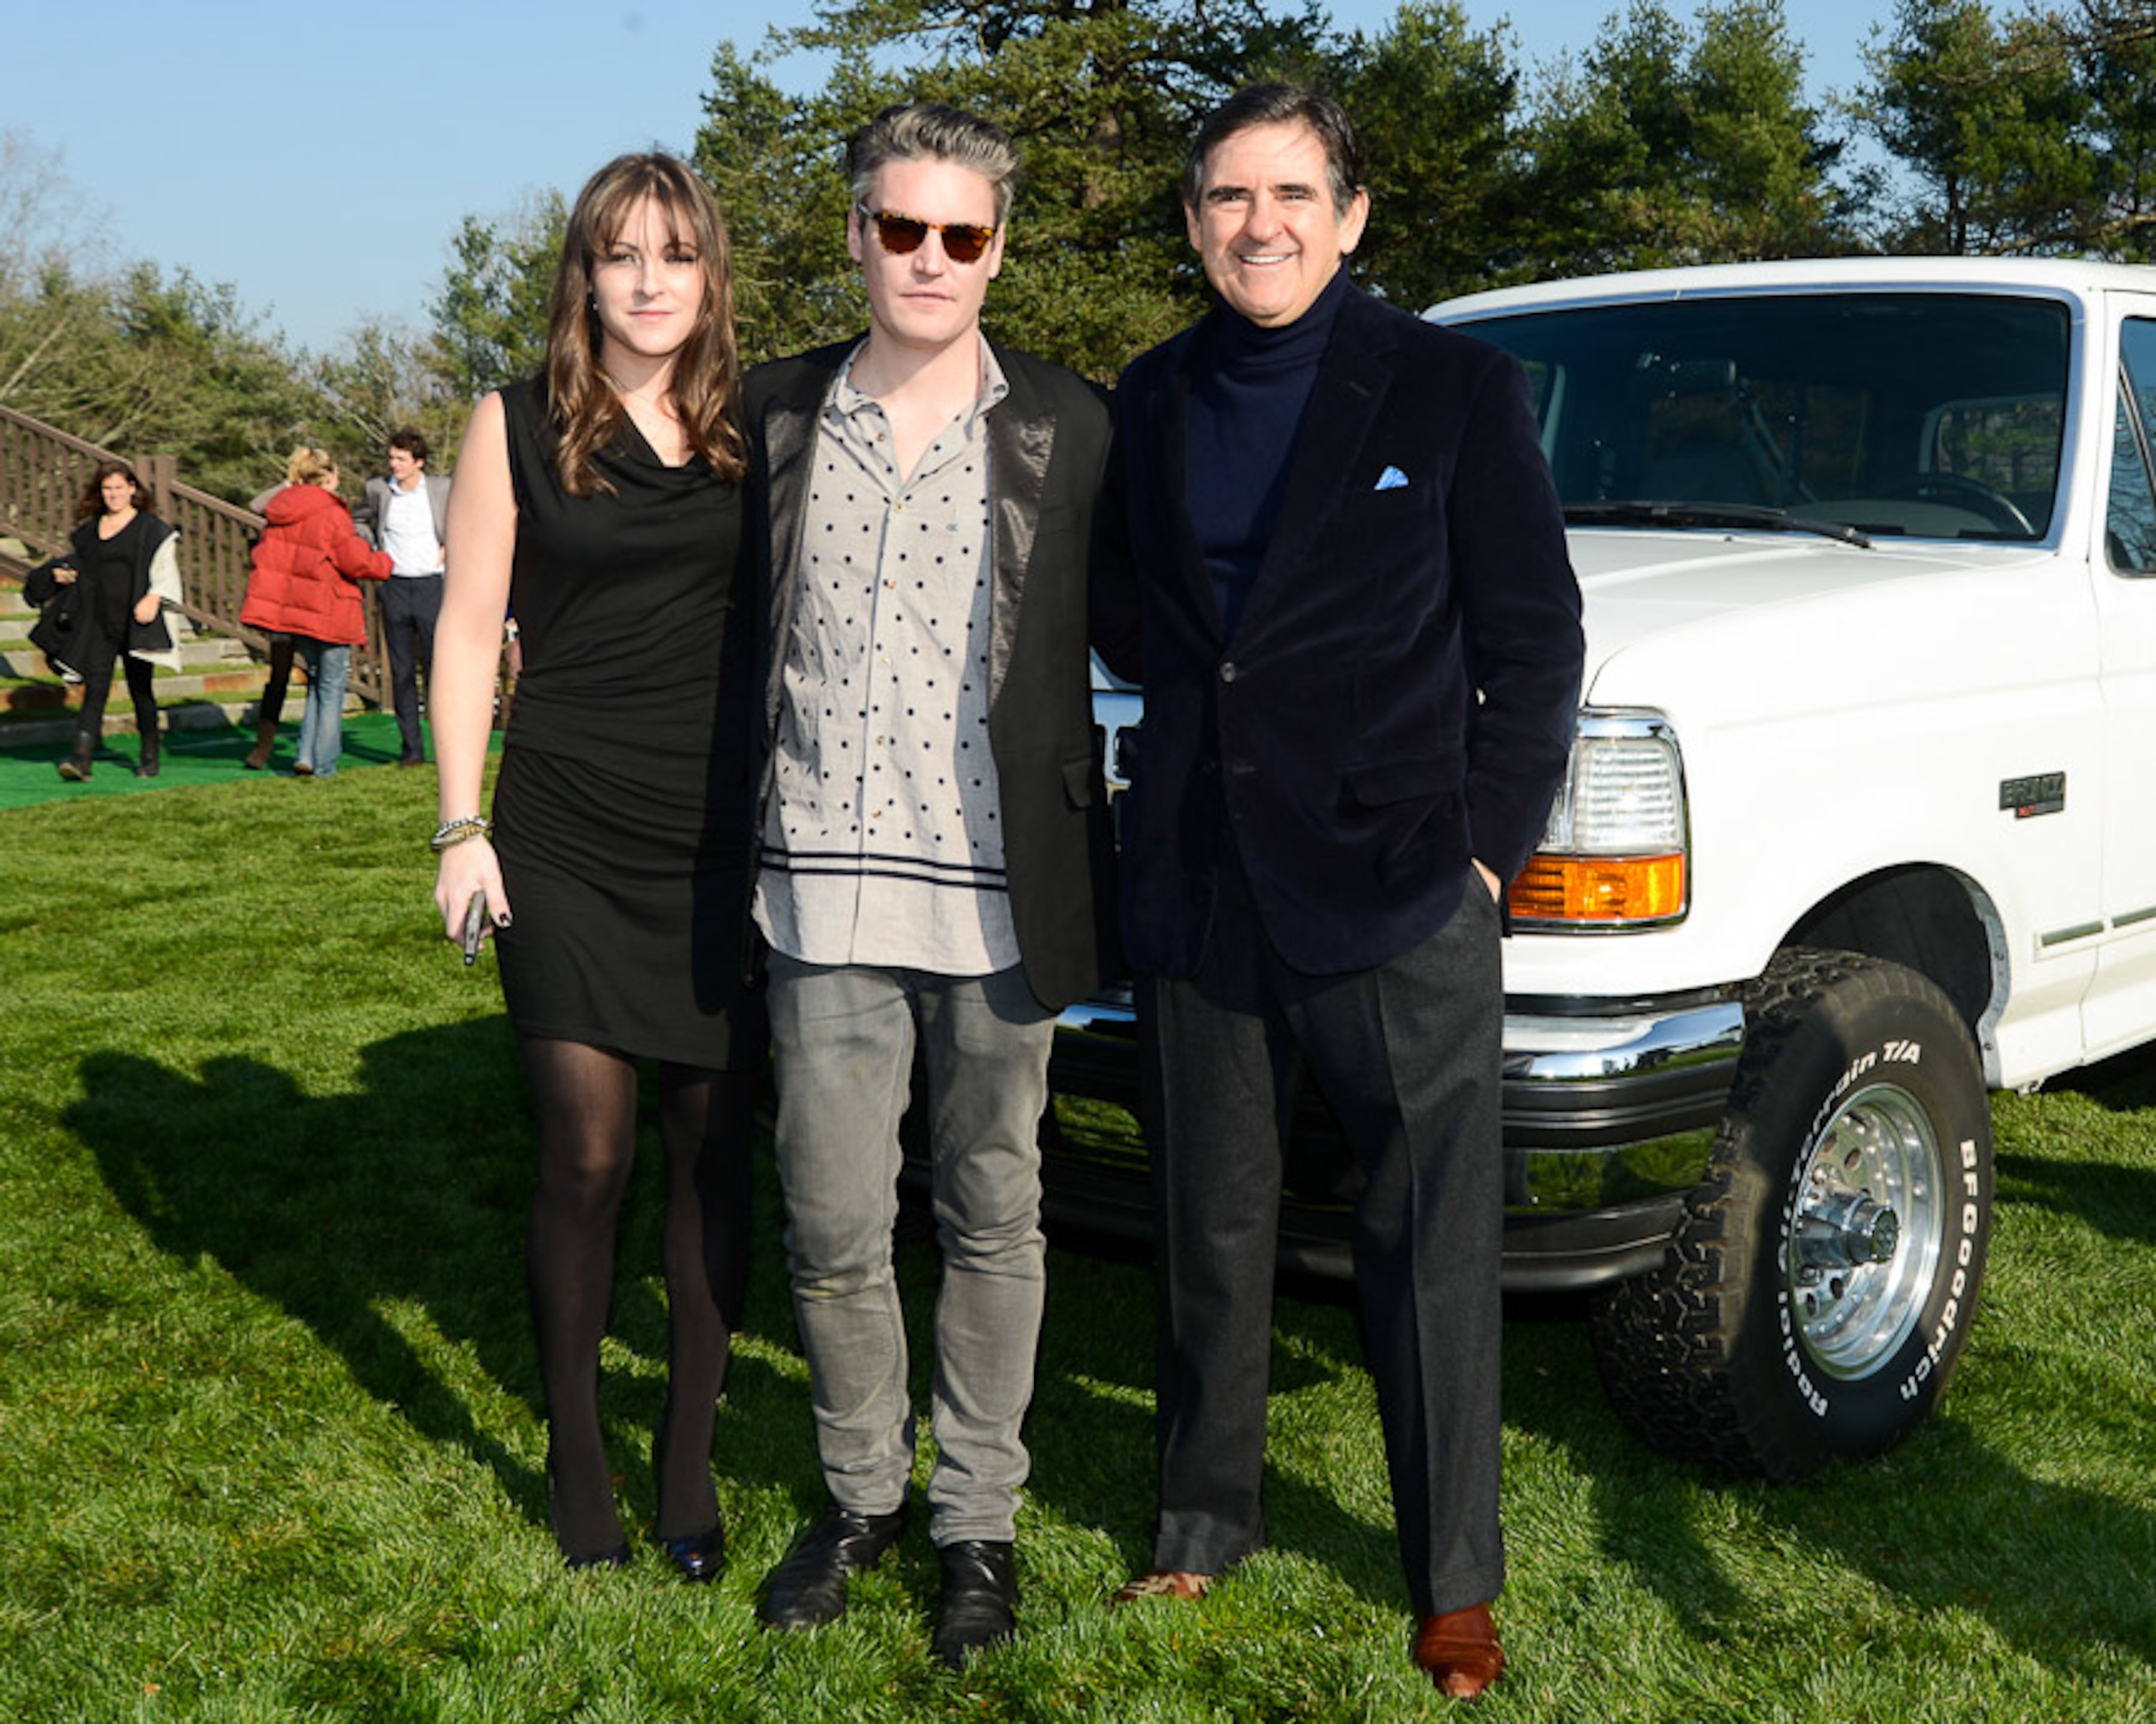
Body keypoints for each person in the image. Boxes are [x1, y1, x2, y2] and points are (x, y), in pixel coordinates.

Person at [1095, 83, 1584, 1702]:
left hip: (1396, 885)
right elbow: (1126, 621)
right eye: (1230, 196)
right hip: (1196, 877)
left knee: (1430, 1236)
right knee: (1210, 1226)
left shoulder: (1453, 390)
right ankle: (1203, 1508)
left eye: (1294, 193)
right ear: (1193, 221)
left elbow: (1534, 645)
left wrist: (1480, 854)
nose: (1262, 224)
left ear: (1352, 214)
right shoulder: (1147, 400)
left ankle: (1452, 1579)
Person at [741, 102, 1116, 1667]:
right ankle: (853, 1493)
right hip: (814, 898)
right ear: (856, 235)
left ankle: (976, 1518)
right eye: (903, 229)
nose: (931, 259)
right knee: (832, 1224)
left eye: (963, 235)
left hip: (996, 901)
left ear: (999, 248)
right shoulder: (764, 416)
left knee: (994, 1215)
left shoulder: (1071, 425)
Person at [428, 152, 763, 1580]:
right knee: (587, 1153)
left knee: (712, 1153)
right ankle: (577, 1448)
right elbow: (462, 632)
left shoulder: (762, 423)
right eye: (621, 254)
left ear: (709, 275)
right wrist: (460, 822)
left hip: (728, 841)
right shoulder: (512, 426)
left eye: (675, 255)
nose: (648, 281)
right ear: (585, 273)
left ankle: (687, 1457)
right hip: (561, 828)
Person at [24, 460, 185, 781]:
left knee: (141, 690)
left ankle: (149, 756)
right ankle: (81, 760)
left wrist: (153, 598)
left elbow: (165, 570)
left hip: (136, 622)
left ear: (132, 490)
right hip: (98, 622)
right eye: (107, 489)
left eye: (119, 488)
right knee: (95, 689)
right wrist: (59, 575)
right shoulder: (88, 532)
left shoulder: (151, 530)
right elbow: (78, 566)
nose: (113, 495)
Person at [235, 449, 392, 778]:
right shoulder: (332, 513)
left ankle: (305, 754)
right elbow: (354, 561)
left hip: (296, 612)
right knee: (332, 687)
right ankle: (324, 763)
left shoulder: (280, 511)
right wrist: (385, 562)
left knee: (317, 683)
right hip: (330, 608)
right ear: (328, 476)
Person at [353, 428, 452, 766]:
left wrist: (450, 544)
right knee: (402, 671)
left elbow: (466, 518)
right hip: (394, 587)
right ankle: (412, 749)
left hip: (432, 587)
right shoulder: (378, 490)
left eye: (401, 459)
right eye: (391, 458)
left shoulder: (441, 489)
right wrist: (375, 549)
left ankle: (447, 747)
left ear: (418, 462)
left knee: (439, 671)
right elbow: (358, 521)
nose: (393, 464)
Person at [239, 453, 319, 771]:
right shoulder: (281, 507)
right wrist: (290, 484)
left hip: (311, 598)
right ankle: (264, 745)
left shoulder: (322, 504)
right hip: (285, 602)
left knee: (318, 676)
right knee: (279, 675)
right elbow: (258, 505)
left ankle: (310, 749)